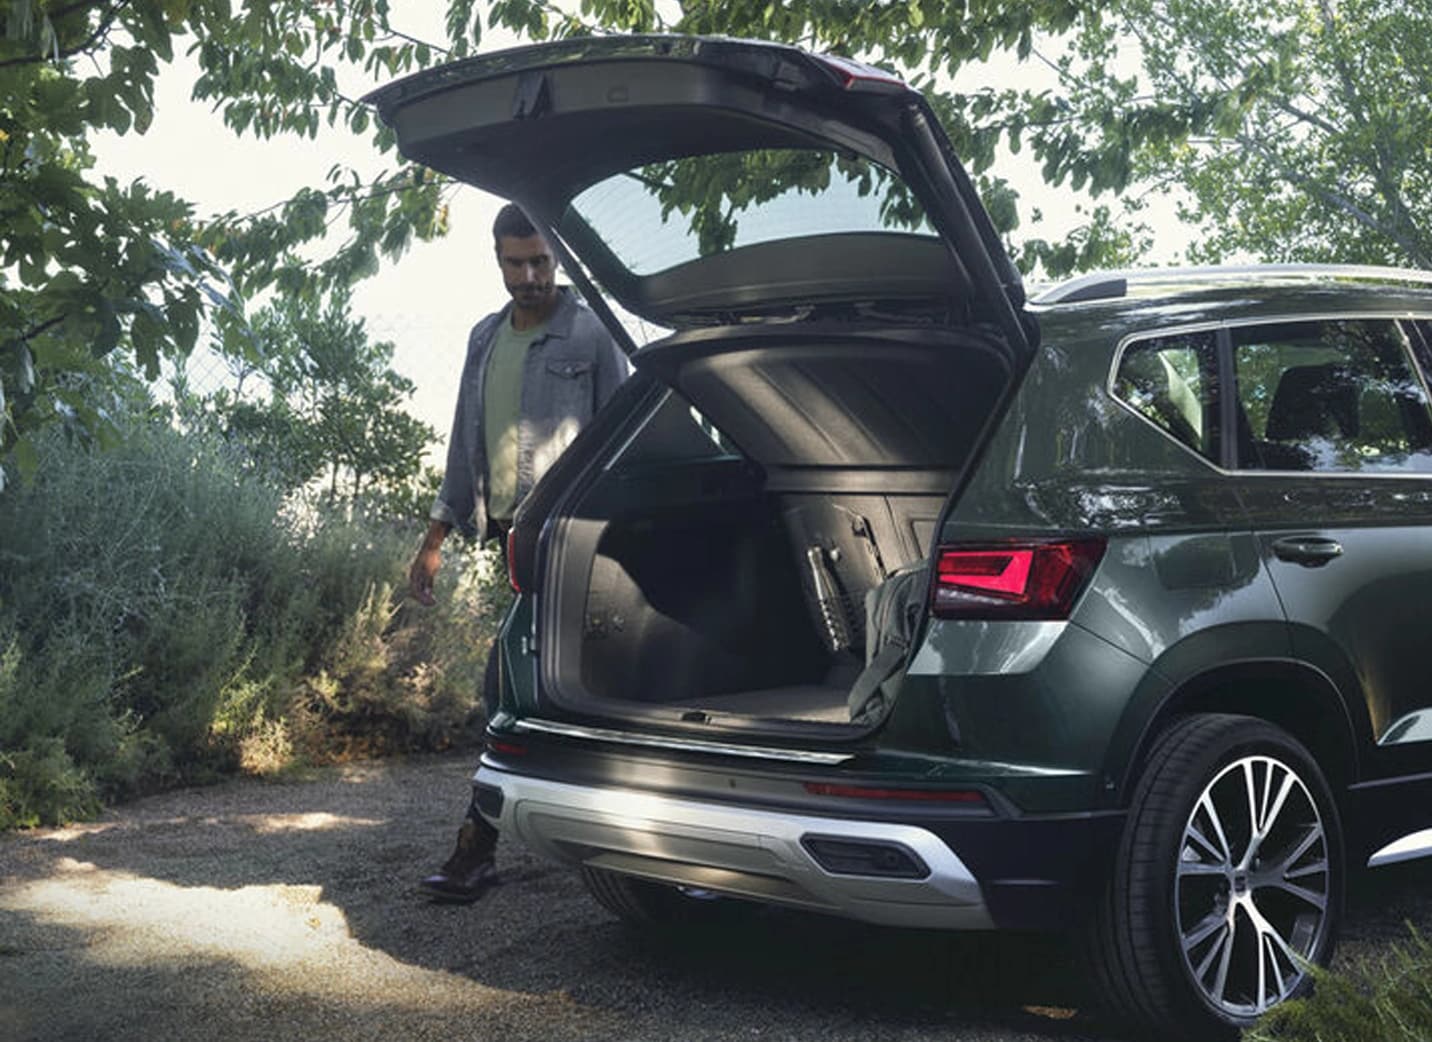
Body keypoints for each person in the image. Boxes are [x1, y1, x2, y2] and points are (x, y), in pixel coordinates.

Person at [410, 202, 627, 903]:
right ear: (497, 260)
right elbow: (461, 443)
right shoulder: (483, 337)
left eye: (539, 261)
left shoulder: (591, 334)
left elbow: (622, 442)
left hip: (574, 543)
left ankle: (478, 847)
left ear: (557, 257)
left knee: (512, 686)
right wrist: (435, 538)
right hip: (512, 543)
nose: (528, 276)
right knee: (545, 691)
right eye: (515, 263)